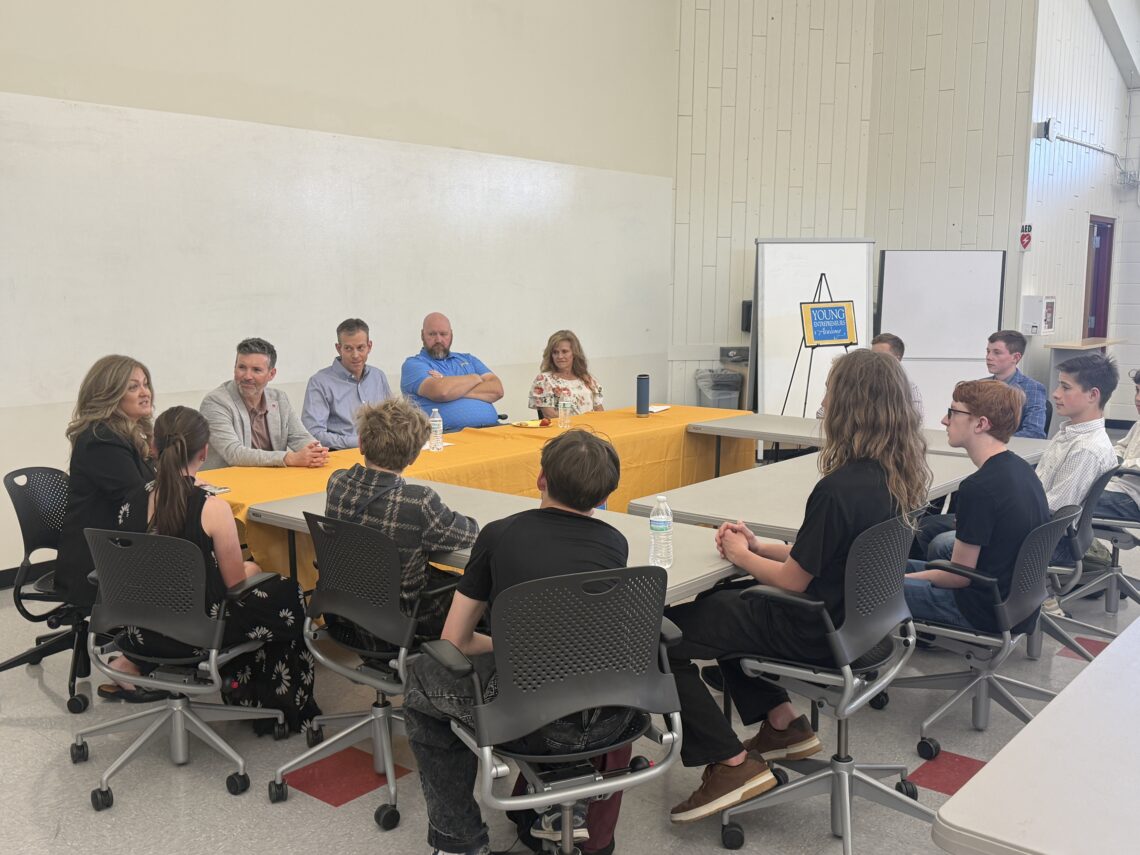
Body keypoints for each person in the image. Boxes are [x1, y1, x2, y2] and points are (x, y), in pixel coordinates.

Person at [664, 349, 930, 825]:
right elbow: (829, 558)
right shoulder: (898, 477)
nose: (823, 402)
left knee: (662, 637)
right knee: (717, 606)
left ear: (850, 406)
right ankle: (783, 723)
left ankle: (731, 765)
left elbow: (793, 580)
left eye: (829, 392)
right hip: (867, 629)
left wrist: (741, 556)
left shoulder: (838, 489)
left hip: (816, 631)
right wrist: (761, 547)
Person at [403, 430, 631, 855]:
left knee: (424, 679)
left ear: (540, 478)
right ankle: (563, 802)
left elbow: (455, 640)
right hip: (612, 716)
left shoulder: (499, 535)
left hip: (527, 722)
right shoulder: (616, 543)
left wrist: (513, 647)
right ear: (605, 495)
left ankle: (458, 841)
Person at [99, 406, 321, 730]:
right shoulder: (212, 508)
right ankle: (276, 707)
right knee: (286, 591)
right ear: (204, 452)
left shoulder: (131, 501)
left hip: (139, 631)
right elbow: (233, 585)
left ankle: (250, 694)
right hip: (199, 633)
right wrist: (252, 567)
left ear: (155, 448)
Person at [922, 353, 1119, 567]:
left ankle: (955, 596)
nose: (1055, 393)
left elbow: (1053, 513)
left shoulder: (1086, 449)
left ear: (1093, 395)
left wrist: (994, 518)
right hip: (1031, 525)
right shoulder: (1070, 434)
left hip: (1045, 542)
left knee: (941, 543)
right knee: (928, 527)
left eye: (1065, 387)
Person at [324, 397, 479, 640]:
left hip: (347, 615)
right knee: (479, 593)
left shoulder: (337, 483)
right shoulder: (418, 501)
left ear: (361, 443)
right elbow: (467, 533)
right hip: (405, 621)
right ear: (414, 456)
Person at [903, 381, 1049, 634]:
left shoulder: (979, 488)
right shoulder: (1021, 469)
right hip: (1014, 603)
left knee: (865, 590)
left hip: (979, 608)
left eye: (953, 413)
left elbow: (958, 577)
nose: (944, 421)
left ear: (981, 424)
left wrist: (898, 583)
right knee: (891, 570)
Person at [55, 355, 157, 609]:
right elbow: (138, 501)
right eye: (133, 387)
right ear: (109, 395)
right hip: (99, 563)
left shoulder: (125, 434)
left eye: (145, 384)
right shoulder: (102, 438)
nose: (145, 393)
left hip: (115, 547)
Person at [200, 337, 329, 469]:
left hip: (271, 479)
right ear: (234, 368)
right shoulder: (215, 402)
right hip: (229, 483)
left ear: (271, 374)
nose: (247, 376)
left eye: (256, 370)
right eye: (242, 367)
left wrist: (316, 451)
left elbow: (299, 436)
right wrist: (289, 458)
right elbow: (233, 453)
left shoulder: (279, 398)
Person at [400, 312, 503, 431]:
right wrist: (475, 378)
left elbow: (497, 390)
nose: (438, 339)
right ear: (422, 335)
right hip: (445, 436)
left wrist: (452, 388)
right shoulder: (413, 364)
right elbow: (441, 392)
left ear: (451, 335)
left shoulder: (468, 359)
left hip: (493, 429)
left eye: (443, 334)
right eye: (432, 334)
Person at [302, 317, 394, 450]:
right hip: (339, 458)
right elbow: (313, 434)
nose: (355, 355)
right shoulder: (319, 382)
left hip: (381, 454)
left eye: (360, 348)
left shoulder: (378, 376)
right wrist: (360, 442)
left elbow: (392, 419)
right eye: (349, 349)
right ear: (339, 348)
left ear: (369, 346)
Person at [1095, 368, 1140, 521]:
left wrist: (1119, 465)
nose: (1138, 398)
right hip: (1119, 486)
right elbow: (1122, 447)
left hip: (1134, 498)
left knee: (1069, 505)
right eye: (1137, 391)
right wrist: (1113, 458)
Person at [984, 330, 1047, 438]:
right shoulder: (980, 385)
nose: (989, 357)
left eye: (997, 352)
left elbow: (1034, 432)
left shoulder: (1033, 388)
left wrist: (992, 442)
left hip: (1010, 448)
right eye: (988, 351)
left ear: (1015, 357)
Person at [528, 330, 604, 418]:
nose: (560, 356)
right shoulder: (544, 380)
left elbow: (599, 410)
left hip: (591, 428)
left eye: (564, 351)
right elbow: (550, 415)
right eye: (555, 352)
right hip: (563, 429)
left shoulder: (587, 379)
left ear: (575, 353)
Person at [871, 332, 924, 421]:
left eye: (881, 357)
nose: (873, 360)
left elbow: (916, 422)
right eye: (872, 356)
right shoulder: (861, 386)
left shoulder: (909, 389)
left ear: (897, 359)